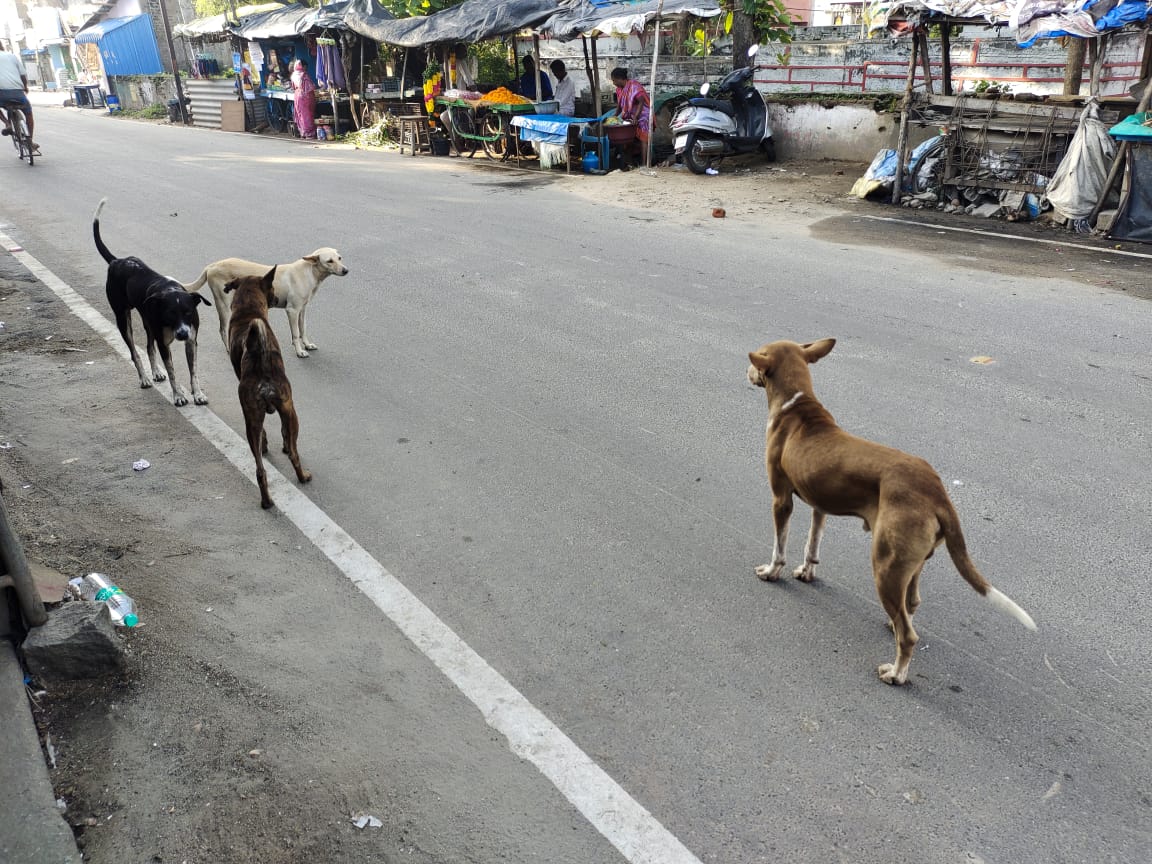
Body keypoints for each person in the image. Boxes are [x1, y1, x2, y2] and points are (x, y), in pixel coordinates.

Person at [610, 67, 650, 169]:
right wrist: (614, 116)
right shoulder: (619, 90)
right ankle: (630, 163)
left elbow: (641, 101)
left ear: (619, 78)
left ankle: (644, 164)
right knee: (626, 137)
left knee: (643, 138)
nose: (613, 82)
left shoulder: (634, 86)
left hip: (643, 115)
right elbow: (620, 105)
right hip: (629, 115)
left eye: (614, 80)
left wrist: (636, 117)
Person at [0, 46, 36, 152]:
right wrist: (25, 87)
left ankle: (7, 123)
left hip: (1, 93)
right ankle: (30, 141)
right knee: (28, 113)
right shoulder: (12, 56)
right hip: (18, 93)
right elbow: (23, 75)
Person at [290, 59, 316, 139]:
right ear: (302, 66)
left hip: (298, 95)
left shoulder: (294, 74)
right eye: (305, 67)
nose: (306, 68)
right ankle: (309, 133)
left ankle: (303, 132)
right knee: (307, 115)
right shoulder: (303, 75)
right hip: (305, 96)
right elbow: (310, 87)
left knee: (301, 114)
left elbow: (294, 86)